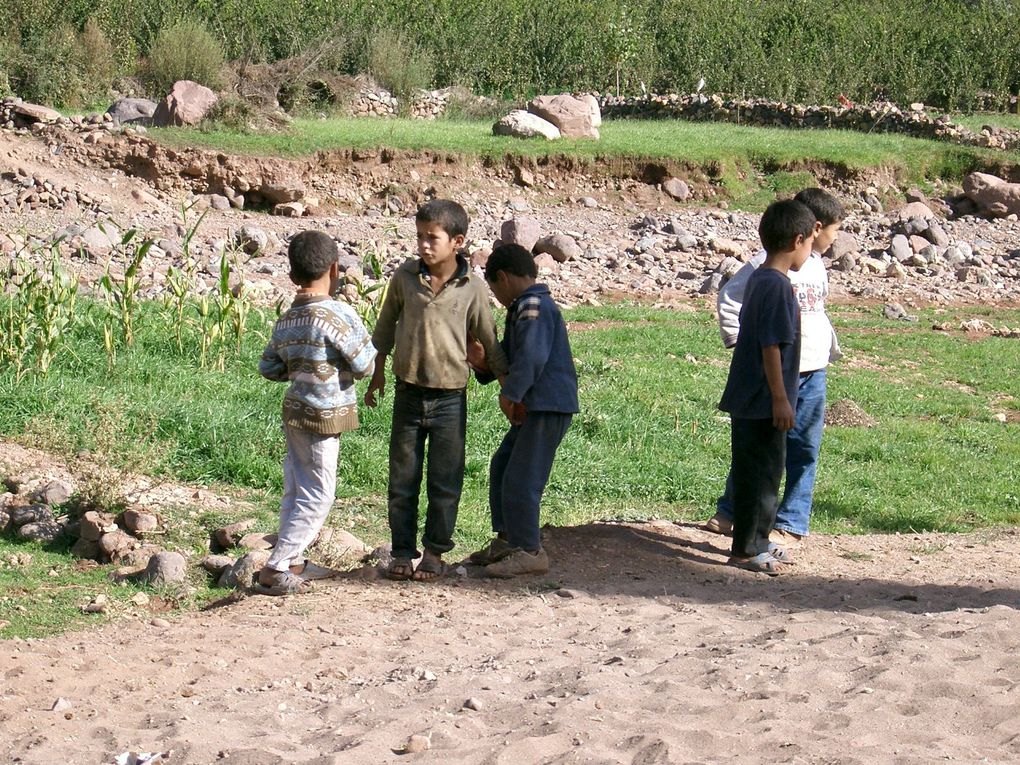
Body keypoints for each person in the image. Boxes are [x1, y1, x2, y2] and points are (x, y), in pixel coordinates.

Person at [366, 199, 509, 582]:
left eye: (433, 238)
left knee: (445, 481)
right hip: (407, 394)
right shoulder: (404, 278)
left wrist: (508, 389)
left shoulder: (472, 289)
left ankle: (434, 553)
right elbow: (384, 329)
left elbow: (490, 343)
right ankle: (400, 551)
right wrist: (376, 374)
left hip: (449, 400)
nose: (424, 245)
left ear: (457, 242)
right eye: (419, 237)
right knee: (402, 478)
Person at [707, 188, 845, 546]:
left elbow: (817, 315)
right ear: (811, 230)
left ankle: (791, 520)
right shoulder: (767, 269)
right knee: (760, 452)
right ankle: (733, 513)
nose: (835, 238)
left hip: (811, 371)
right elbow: (734, 304)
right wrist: (742, 344)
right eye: (834, 230)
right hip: (776, 379)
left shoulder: (813, 267)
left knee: (802, 448)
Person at [256, 230, 377, 595]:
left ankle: (292, 560)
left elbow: (268, 367)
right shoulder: (338, 315)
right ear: (335, 269)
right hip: (323, 417)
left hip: (294, 411)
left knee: (296, 487)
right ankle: (278, 566)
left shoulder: (287, 320)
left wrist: (298, 365)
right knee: (319, 493)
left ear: (292, 275)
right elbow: (365, 364)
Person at [467, 244, 579, 578]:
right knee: (503, 465)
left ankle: (529, 550)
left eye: (493, 289)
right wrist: (483, 365)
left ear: (501, 278)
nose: (496, 296)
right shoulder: (524, 306)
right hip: (536, 404)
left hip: (546, 404)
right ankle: (508, 540)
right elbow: (510, 357)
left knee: (522, 478)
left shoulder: (532, 305)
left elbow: (531, 357)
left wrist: (510, 395)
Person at [718, 199, 815, 575]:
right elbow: (770, 346)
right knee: (757, 475)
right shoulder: (775, 286)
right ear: (797, 239)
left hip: (757, 397)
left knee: (768, 471)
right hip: (761, 399)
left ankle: (759, 539)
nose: (810, 251)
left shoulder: (760, 277)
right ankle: (744, 550)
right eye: (810, 243)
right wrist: (780, 399)